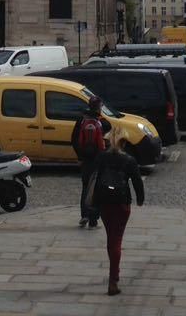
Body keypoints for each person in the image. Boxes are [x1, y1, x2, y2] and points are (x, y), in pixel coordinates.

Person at [91, 126, 145, 295]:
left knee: (111, 238)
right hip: (121, 203)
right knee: (117, 240)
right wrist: (140, 199)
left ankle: (114, 271)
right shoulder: (129, 160)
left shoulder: (101, 157)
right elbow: (137, 181)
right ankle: (113, 280)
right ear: (124, 142)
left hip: (104, 202)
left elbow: (94, 178)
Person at [71, 95, 109, 228]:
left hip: (85, 160)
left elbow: (74, 139)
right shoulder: (100, 121)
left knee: (86, 187)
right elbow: (108, 130)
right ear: (99, 107)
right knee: (96, 188)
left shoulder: (82, 120)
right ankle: (93, 220)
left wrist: (80, 157)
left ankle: (84, 215)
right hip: (97, 159)